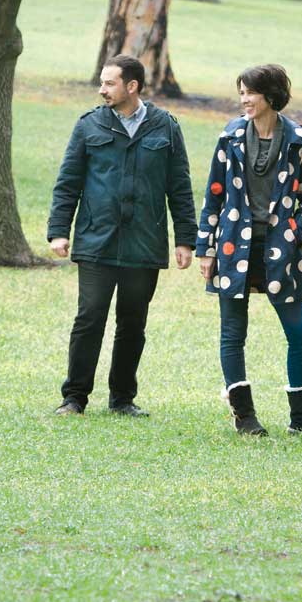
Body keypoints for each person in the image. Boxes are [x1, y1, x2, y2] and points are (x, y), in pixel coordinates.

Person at [196, 64, 302, 437]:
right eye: (241, 92)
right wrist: (205, 249)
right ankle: (245, 417)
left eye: (251, 93)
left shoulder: (297, 138)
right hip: (233, 245)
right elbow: (214, 195)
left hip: (280, 249)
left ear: (270, 96)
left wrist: (294, 233)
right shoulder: (229, 136)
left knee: (300, 331)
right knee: (233, 332)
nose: (244, 99)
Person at [47, 55, 196, 416]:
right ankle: (74, 398)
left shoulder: (166, 127)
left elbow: (180, 187)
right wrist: (58, 232)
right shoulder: (88, 126)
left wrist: (185, 239)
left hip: (143, 244)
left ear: (132, 86)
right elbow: (68, 183)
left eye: (110, 83)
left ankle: (122, 399)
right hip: (96, 241)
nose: (102, 89)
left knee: (133, 324)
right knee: (89, 319)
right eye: (102, 82)